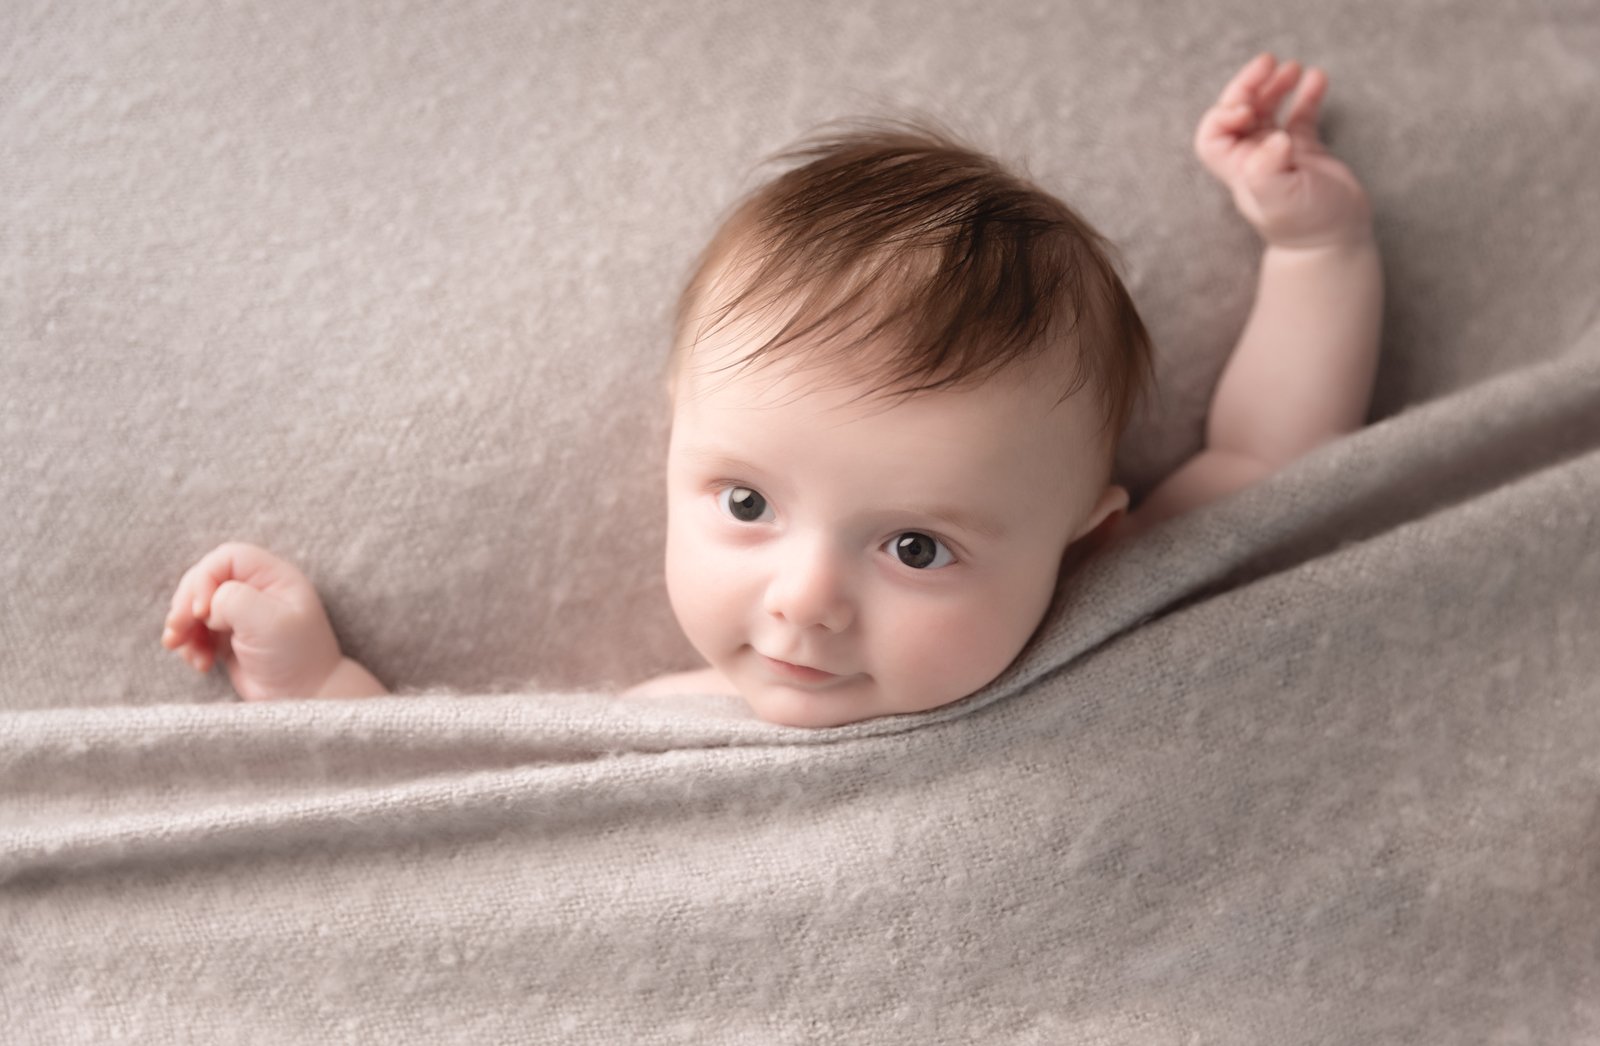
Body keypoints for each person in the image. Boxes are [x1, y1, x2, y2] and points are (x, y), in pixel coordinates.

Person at [159, 53, 1382, 728]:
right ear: (675, 452)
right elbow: (455, 809)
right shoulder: (666, 718)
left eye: (915, 544)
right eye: (745, 505)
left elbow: (1270, 456)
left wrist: (1315, 248)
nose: (804, 602)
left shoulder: (1099, 612)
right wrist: (318, 686)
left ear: (1088, 536)